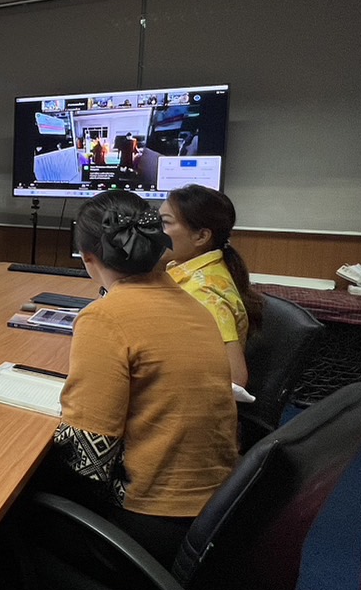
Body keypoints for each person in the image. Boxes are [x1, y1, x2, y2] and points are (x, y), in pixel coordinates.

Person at [49, 189, 238, 564]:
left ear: (88, 258)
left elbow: (88, 462)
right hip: (214, 514)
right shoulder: (195, 304)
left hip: (149, 526)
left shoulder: (105, 317)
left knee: (6, 502)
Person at [159, 183, 264, 388]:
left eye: (164, 223)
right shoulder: (183, 267)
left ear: (201, 236)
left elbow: (235, 379)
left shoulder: (204, 293)